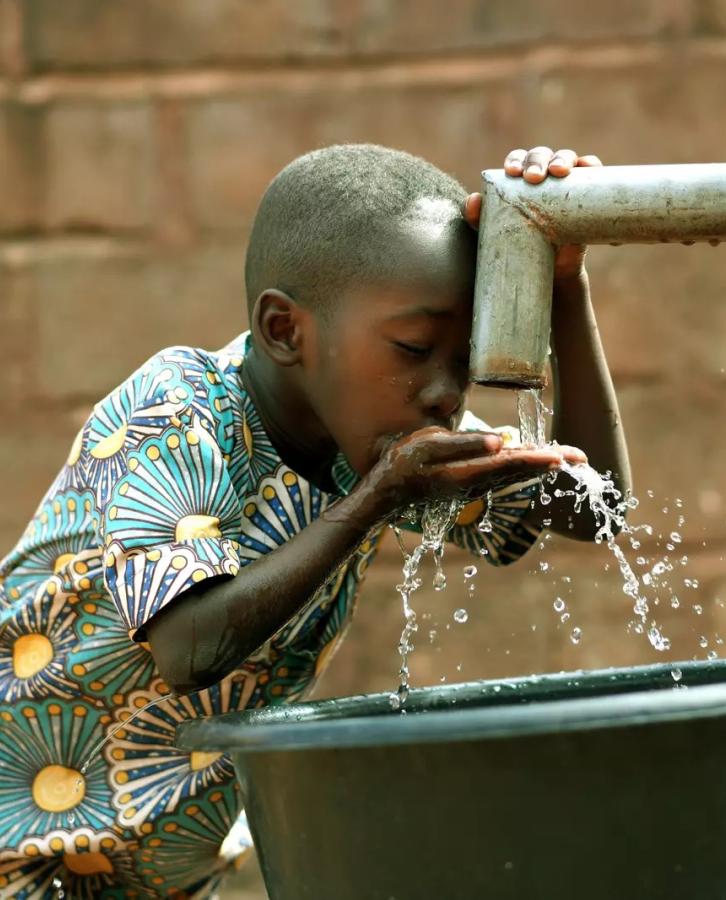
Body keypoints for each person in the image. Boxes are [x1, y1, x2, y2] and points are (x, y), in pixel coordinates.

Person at [0, 144, 630, 898]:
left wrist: (565, 283)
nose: (442, 392)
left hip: (144, 879)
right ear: (285, 330)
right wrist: (375, 503)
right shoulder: (179, 413)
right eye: (413, 348)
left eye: (463, 359)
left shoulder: (374, 438)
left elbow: (596, 507)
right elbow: (190, 648)